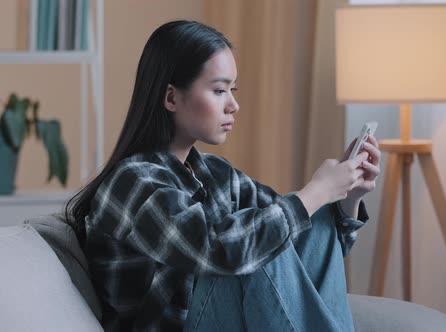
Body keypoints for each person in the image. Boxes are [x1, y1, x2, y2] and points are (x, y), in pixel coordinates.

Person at [66, 20, 381, 332]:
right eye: (219, 90)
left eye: (233, 89)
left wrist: (347, 197)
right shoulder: (133, 183)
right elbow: (220, 250)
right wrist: (317, 190)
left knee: (300, 223)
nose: (234, 105)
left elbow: (303, 237)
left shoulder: (216, 173)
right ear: (171, 98)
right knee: (255, 240)